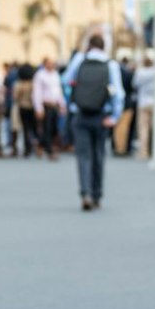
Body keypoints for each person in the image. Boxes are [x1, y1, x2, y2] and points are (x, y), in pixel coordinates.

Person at [63, 35, 124, 210]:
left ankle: (86, 193)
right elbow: (118, 93)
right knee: (98, 155)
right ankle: (97, 194)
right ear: (104, 47)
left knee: (83, 156)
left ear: (89, 46)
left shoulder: (79, 60)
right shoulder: (111, 65)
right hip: (102, 116)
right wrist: (114, 117)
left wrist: (72, 102)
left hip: (81, 114)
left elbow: (65, 81)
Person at [33, 57, 65, 161]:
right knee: (47, 128)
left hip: (54, 105)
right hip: (45, 105)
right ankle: (50, 151)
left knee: (54, 128)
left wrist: (62, 104)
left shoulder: (55, 75)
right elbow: (37, 92)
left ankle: (40, 144)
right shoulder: (40, 75)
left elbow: (58, 91)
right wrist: (38, 108)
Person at [132, 50, 155, 160]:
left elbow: (135, 84)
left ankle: (143, 151)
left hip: (143, 102)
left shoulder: (140, 72)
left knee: (143, 128)